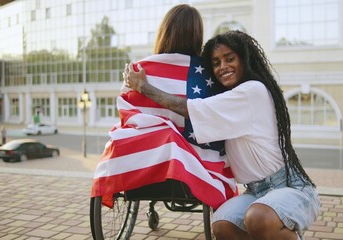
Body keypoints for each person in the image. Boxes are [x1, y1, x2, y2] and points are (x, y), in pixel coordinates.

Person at [124, 30, 320, 240]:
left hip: (290, 187)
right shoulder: (227, 97)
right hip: (255, 191)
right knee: (222, 224)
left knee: (258, 218)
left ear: (244, 59)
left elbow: (187, 108)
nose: (222, 67)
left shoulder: (252, 91)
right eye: (216, 63)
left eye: (230, 59)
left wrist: (143, 87)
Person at [91, 4, 236, 210]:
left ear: (164, 32)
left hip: (148, 155)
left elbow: (127, 113)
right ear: (197, 35)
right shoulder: (210, 72)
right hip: (199, 161)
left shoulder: (138, 70)